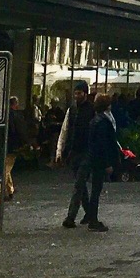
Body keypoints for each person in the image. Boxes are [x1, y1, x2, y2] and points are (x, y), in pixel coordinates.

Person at [58, 84, 96, 229]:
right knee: (81, 186)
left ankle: (70, 217)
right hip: (74, 152)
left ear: (85, 94)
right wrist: (61, 150)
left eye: (79, 93)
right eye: (75, 93)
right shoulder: (72, 110)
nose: (76, 96)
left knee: (79, 184)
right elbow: (65, 130)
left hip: (86, 152)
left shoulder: (91, 111)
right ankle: (90, 213)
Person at [82, 96, 120, 230]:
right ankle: (93, 220)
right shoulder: (104, 122)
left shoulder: (94, 121)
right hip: (100, 160)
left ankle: (92, 218)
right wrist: (108, 163)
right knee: (96, 190)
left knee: (95, 189)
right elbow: (103, 144)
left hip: (94, 158)